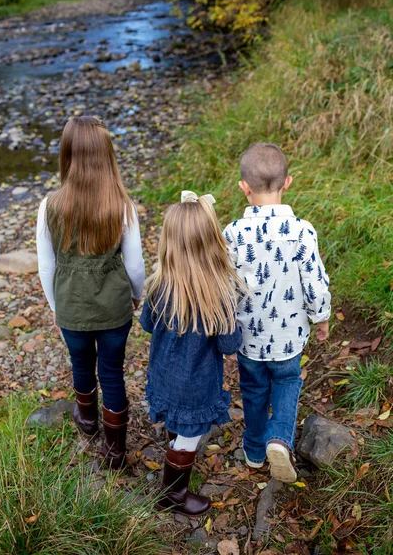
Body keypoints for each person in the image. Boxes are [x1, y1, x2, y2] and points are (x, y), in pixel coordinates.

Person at [36, 116, 145, 469]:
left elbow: (46, 266)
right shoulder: (122, 205)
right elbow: (135, 266)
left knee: (80, 362)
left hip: (71, 307)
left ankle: (87, 421)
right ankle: (115, 451)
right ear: (107, 155)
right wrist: (136, 295)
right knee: (112, 371)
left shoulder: (49, 206)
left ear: (66, 155)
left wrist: (58, 306)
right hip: (113, 309)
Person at [223, 142, 331, 483]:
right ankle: (279, 439)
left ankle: (254, 451)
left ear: (243, 186)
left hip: (248, 338)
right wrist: (322, 316)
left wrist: (224, 324)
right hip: (288, 337)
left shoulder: (233, 234)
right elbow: (314, 280)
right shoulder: (302, 231)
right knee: (286, 381)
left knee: (253, 390)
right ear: (288, 183)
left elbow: (225, 284)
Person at [140, 191, 243, 517]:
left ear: (169, 241)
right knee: (189, 436)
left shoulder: (159, 284)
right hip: (197, 386)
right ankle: (174, 494)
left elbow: (146, 324)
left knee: (178, 425)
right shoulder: (219, 293)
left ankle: (174, 449)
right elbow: (229, 346)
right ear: (212, 240)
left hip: (163, 376)